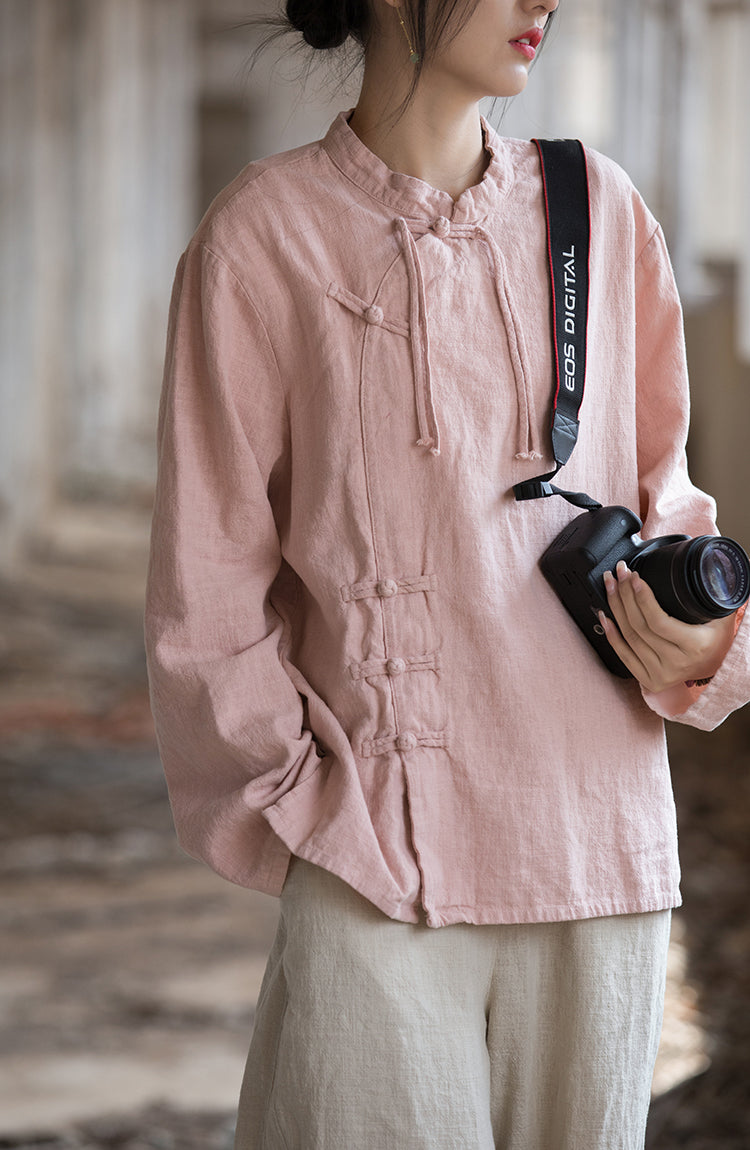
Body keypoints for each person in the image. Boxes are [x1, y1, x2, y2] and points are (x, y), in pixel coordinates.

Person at [144, 1, 750, 1146]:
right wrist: (314, 814)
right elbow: (207, 588)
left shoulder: (603, 213)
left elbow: (664, 500)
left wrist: (711, 643)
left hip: (599, 850)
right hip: (379, 862)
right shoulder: (264, 236)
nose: (543, 2)